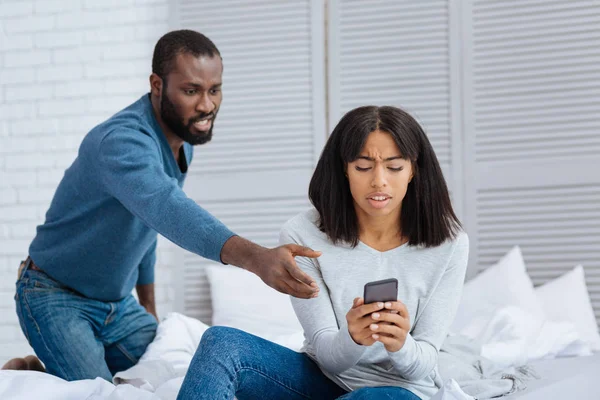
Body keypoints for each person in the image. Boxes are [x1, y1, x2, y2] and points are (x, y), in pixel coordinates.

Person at [4, 29, 320, 382]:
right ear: (157, 85)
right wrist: (256, 257)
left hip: (118, 306)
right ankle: (33, 376)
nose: (207, 105)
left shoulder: (183, 142)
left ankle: (40, 371)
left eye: (214, 89)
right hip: (55, 295)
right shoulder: (120, 142)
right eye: (191, 91)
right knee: (100, 393)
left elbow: (146, 225)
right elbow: (167, 210)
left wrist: (148, 308)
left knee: (176, 374)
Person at [176, 105, 469, 399]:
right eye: (363, 167)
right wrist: (353, 337)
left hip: (398, 391)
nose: (379, 180)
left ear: (413, 169)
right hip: (321, 380)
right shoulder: (303, 235)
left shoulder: (450, 244)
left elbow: (425, 363)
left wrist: (401, 344)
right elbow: (327, 354)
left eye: (394, 167)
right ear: (344, 168)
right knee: (221, 344)